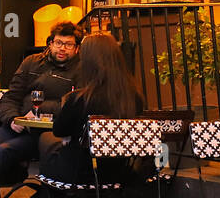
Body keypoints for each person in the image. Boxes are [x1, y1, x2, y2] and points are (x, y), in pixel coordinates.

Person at [38, 32, 145, 188]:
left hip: (79, 172)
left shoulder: (80, 99)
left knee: (45, 138)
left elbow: (59, 131)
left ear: (88, 63)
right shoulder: (135, 98)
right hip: (118, 171)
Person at [0, 21, 80, 185]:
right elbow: (11, 97)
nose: (62, 48)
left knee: (3, 152)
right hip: (18, 126)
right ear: (50, 43)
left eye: (68, 44)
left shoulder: (80, 71)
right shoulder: (31, 62)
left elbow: (73, 107)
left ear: (76, 48)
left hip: (47, 134)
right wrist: (12, 119)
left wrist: (40, 109)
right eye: (58, 43)